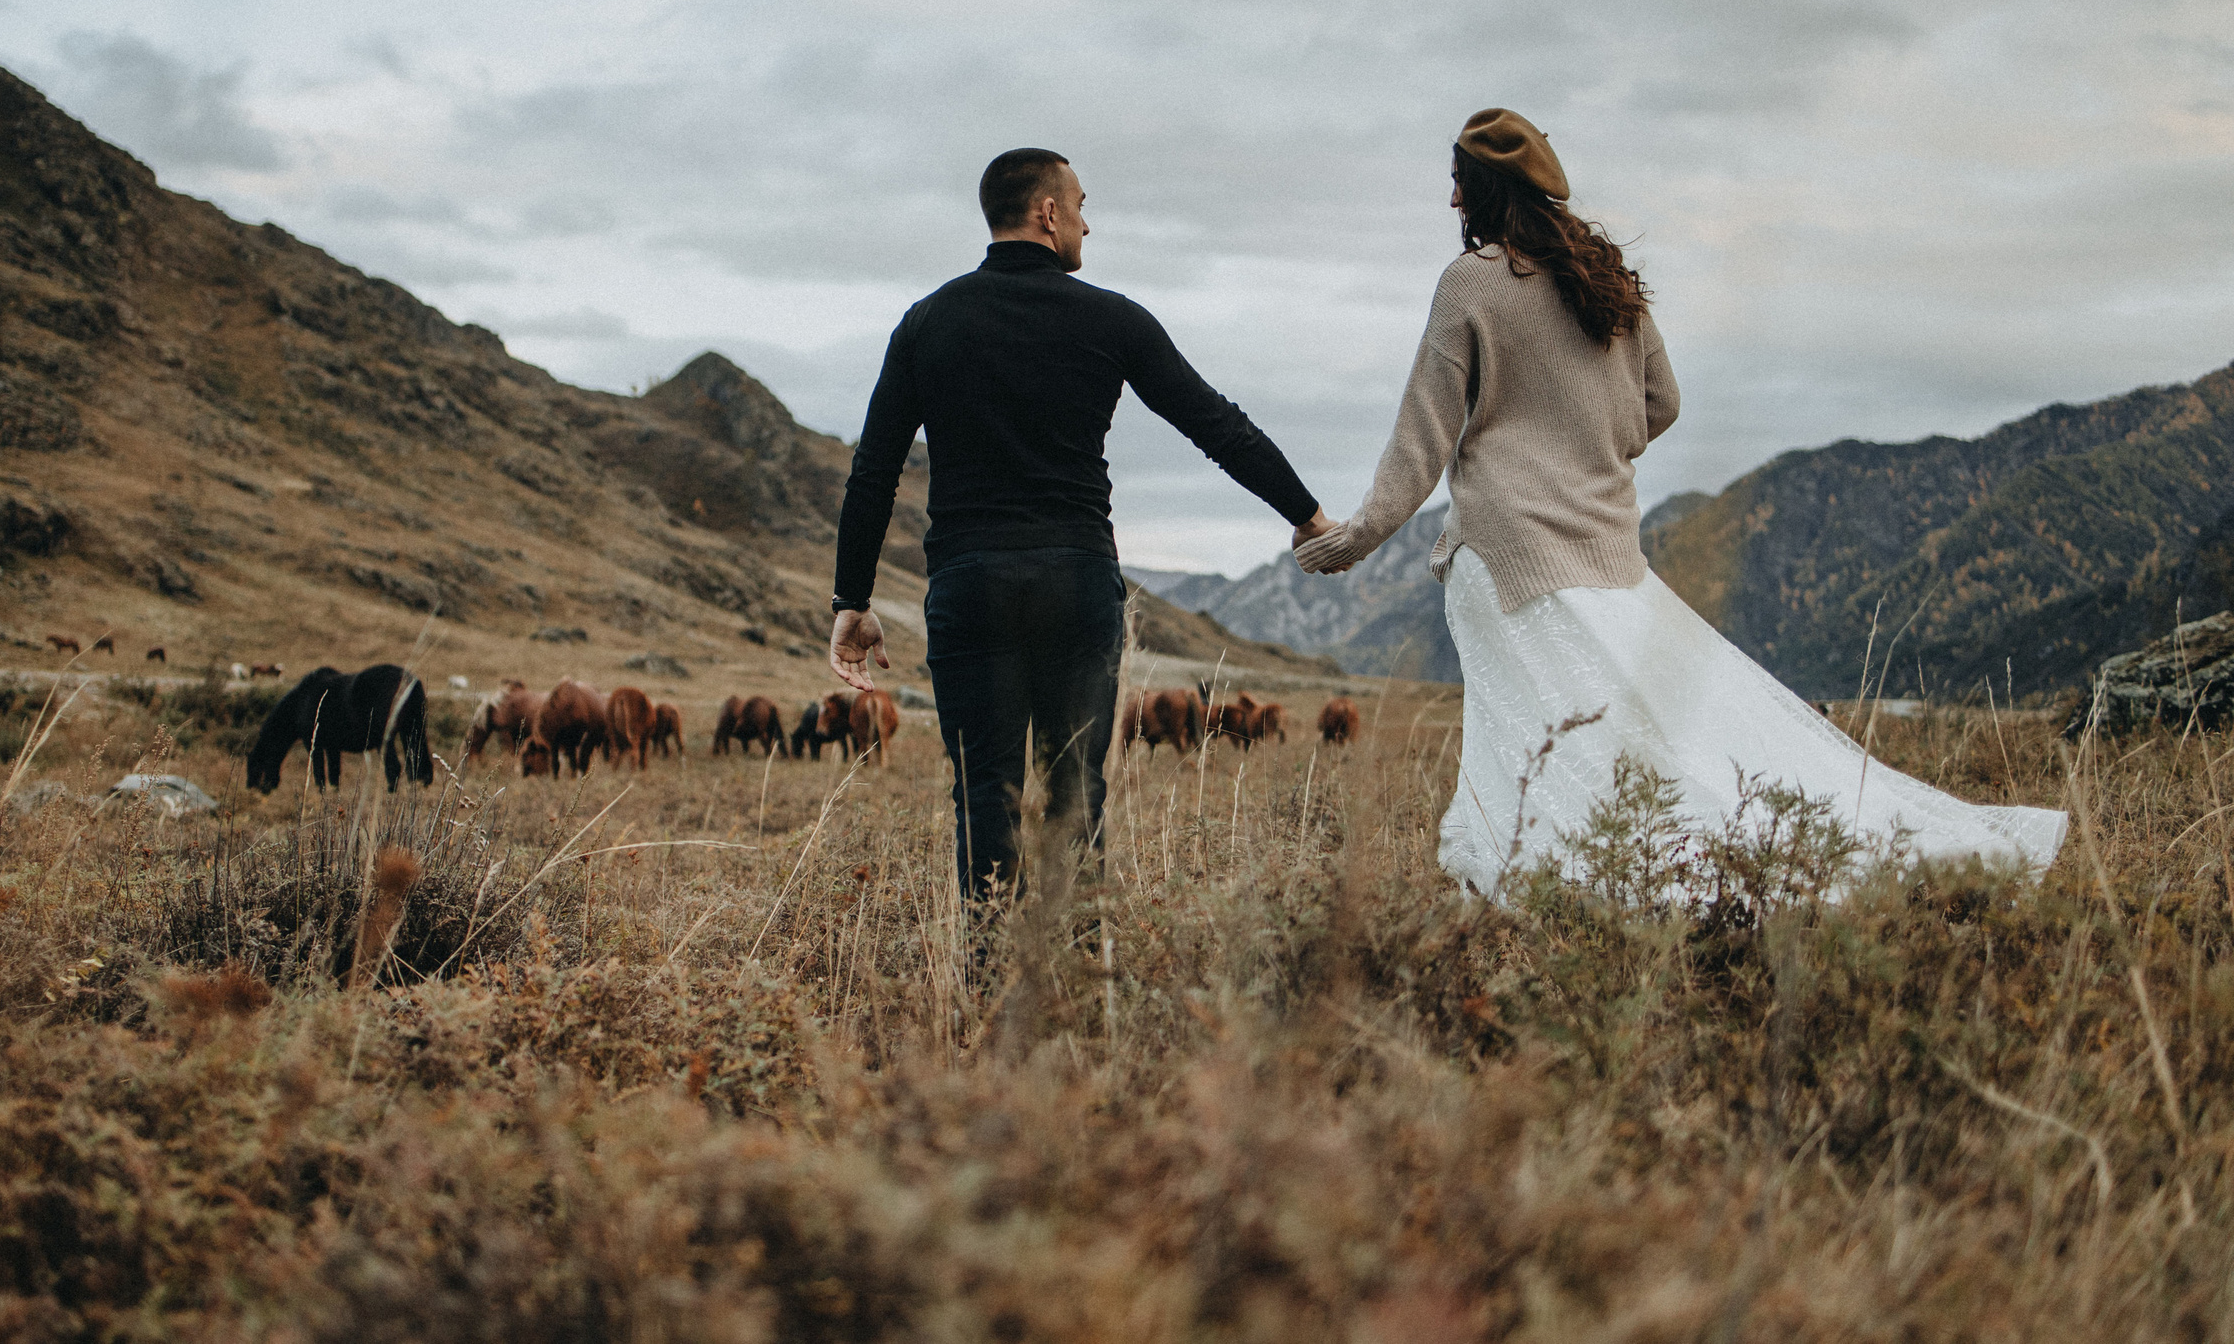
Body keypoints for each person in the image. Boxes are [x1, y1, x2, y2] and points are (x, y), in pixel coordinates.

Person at [1294, 109, 2065, 894]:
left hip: (1508, 560)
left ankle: (1573, 878)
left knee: (1538, 744)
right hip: (1610, 550)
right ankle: (1737, 858)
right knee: (1659, 739)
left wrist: (1354, 538)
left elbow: (1422, 439)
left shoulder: (1471, 283)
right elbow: (1661, 402)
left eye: (1459, 182)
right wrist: (1590, 448)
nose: (1452, 201)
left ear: (1487, 190)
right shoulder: (1609, 280)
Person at [830, 148, 1332, 905]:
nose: (1088, 225)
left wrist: (851, 598)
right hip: (1076, 578)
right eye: (1082, 205)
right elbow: (1214, 423)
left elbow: (874, 469)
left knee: (985, 792)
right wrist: (1308, 514)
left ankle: (991, 980)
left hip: (969, 581)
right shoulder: (1111, 318)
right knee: (1075, 789)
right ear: (1048, 212)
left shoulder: (927, 322)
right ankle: (1074, 976)